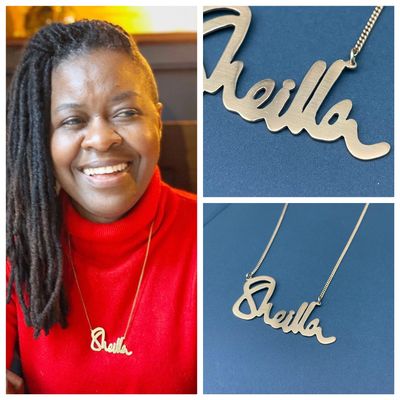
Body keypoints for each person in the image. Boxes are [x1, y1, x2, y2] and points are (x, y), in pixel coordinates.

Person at [6, 19, 196, 394]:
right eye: (73, 120)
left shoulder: (214, 233)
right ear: (44, 139)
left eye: (125, 113)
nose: (101, 139)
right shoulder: (18, 248)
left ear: (157, 121)